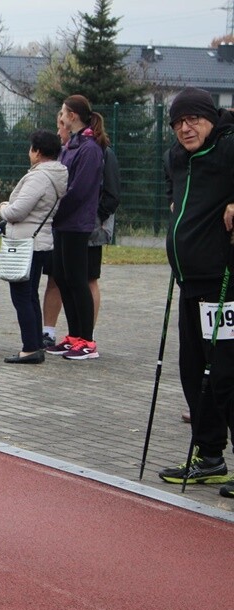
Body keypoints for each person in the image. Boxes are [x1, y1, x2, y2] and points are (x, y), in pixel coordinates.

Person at [155, 87, 234, 499]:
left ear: (211, 118)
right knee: (193, 372)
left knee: (227, 375)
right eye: (177, 122)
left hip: (224, 284)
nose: (185, 128)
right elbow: (177, 201)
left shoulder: (227, 149)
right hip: (189, 284)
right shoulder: (176, 158)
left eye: (193, 120)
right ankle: (209, 458)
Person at [41, 121, 121, 347]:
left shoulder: (100, 152)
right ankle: (55, 332)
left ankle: (86, 335)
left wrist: (95, 217)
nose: (58, 131)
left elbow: (111, 193)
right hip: (66, 226)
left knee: (88, 279)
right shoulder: (65, 153)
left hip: (89, 228)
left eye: (61, 124)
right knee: (60, 277)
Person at [0, 130, 68, 364]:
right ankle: (36, 343)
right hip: (40, 242)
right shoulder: (57, 174)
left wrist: (2, 208)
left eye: (31, 148)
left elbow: (17, 211)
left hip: (25, 243)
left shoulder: (39, 177)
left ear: (37, 152)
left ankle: (29, 348)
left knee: (22, 297)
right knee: (31, 296)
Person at [43, 95, 106, 360]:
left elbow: (79, 191)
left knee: (78, 281)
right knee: (64, 278)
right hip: (62, 224)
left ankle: (87, 341)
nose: (60, 116)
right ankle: (74, 336)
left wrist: (55, 209)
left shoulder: (90, 148)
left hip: (77, 224)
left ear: (72, 115)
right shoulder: (70, 146)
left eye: (63, 112)